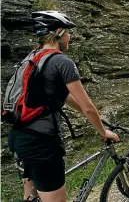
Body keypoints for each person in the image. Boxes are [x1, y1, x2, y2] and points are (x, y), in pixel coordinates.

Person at [8, 11, 120, 202]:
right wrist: (103, 131)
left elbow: (63, 95)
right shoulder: (61, 61)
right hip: (42, 142)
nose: (70, 37)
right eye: (68, 32)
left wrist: (95, 117)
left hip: (19, 136)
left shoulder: (33, 58)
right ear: (58, 33)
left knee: (31, 197)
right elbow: (88, 107)